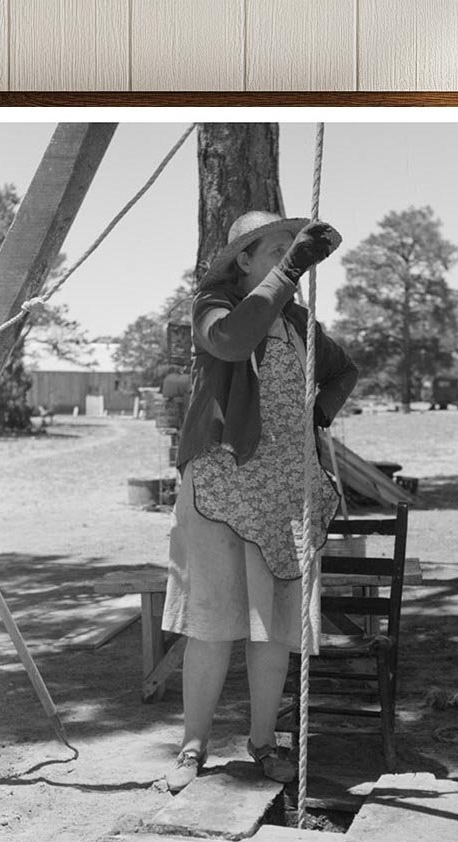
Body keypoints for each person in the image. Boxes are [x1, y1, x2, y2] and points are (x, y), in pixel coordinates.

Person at [161, 209, 359, 793]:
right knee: (211, 623)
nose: (287, 257)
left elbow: (344, 371)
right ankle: (192, 747)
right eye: (276, 249)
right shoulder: (211, 308)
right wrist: (293, 268)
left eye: (292, 250)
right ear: (244, 260)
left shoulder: (299, 324)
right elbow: (233, 339)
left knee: (273, 629)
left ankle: (262, 743)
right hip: (219, 487)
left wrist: (316, 416)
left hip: (283, 498)